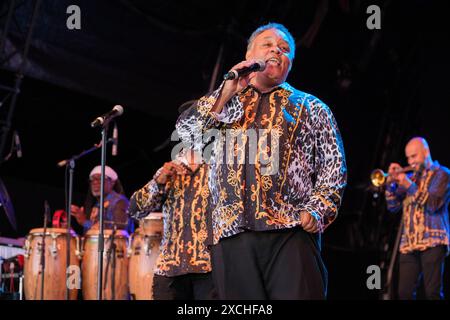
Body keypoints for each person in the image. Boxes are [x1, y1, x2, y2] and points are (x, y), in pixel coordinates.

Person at [176, 22, 347, 299]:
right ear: (249, 54)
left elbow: (333, 166)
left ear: (290, 62)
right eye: (268, 44)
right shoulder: (225, 100)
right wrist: (226, 92)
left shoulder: (312, 107)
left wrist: (317, 210)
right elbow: (187, 135)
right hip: (232, 233)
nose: (276, 51)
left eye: (285, 49)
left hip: (290, 231)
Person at [128, 149, 215, 300]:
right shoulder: (171, 170)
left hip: (209, 268)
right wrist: (159, 181)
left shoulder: (217, 166)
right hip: (170, 269)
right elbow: (135, 210)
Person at [385, 137, 449, 300]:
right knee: (404, 294)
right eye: (408, 158)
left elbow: (434, 203)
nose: (410, 161)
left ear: (426, 152)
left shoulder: (443, 174)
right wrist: (391, 183)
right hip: (409, 244)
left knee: (432, 293)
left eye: (414, 156)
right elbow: (393, 206)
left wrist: (408, 185)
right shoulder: (411, 177)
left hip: (433, 241)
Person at [71, 165, 132, 235]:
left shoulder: (120, 201)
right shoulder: (97, 204)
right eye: (92, 179)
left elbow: (119, 228)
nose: (94, 182)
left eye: (100, 178)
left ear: (112, 182)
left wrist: (85, 222)